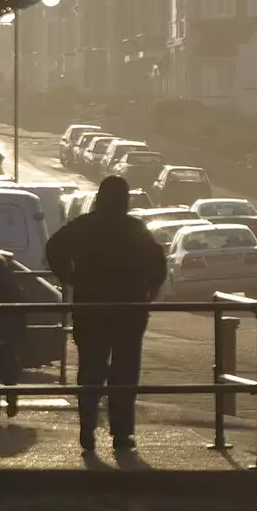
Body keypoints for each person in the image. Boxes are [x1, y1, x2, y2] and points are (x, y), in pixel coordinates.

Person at [46, 175, 167, 454]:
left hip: (92, 309)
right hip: (129, 311)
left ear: (99, 198)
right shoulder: (135, 230)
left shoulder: (85, 227)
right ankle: (122, 434)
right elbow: (158, 266)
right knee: (124, 373)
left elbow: (54, 248)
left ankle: (88, 430)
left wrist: (71, 277)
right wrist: (149, 291)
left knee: (90, 371)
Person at [0, 249, 26, 419]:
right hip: (8, 333)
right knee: (9, 368)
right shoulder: (12, 288)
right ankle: (11, 397)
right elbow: (21, 312)